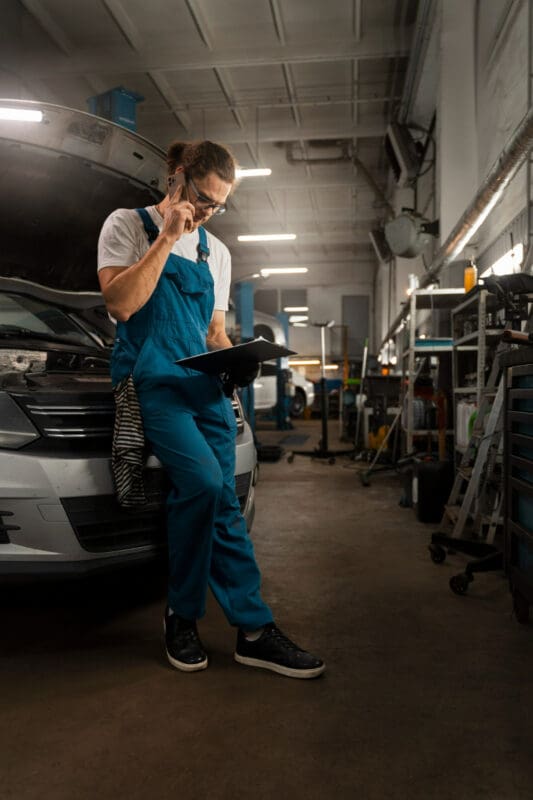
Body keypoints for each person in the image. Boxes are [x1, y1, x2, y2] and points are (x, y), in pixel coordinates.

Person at [97, 139, 325, 679]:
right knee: (201, 482)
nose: (206, 212)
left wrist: (238, 359)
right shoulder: (127, 225)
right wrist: (169, 235)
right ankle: (182, 611)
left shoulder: (215, 252)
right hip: (155, 383)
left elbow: (213, 331)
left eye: (217, 206)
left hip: (206, 389)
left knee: (223, 500)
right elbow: (121, 304)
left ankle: (252, 629)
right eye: (202, 198)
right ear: (177, 178)